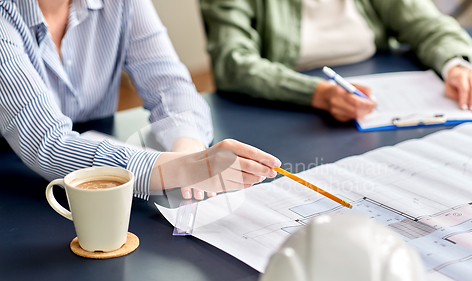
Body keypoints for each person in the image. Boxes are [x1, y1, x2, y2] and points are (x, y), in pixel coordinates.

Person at [0, 0, 281, 201]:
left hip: (95, 179)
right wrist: (185, 168)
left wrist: (189, 149)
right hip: (14, 182)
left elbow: (169, 83)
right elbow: (49, 143)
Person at [201, 0, 472, 122]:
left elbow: (429, 24)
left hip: (381, 95)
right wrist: (317, 93)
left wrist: (455, 64)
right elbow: (233, 62)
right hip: (285, 107)